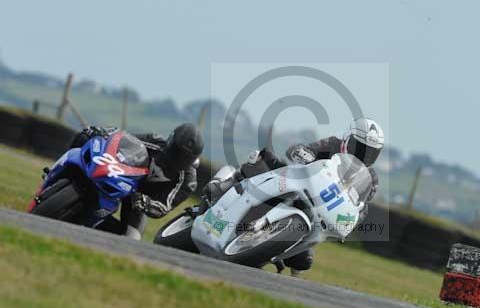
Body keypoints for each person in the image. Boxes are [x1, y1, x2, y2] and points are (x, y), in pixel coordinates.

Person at [205, 117, 385, 275]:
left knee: (304, 261)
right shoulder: (332, 145)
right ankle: (225, 184)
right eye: (359, 148)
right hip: (296, 185)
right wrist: (304, 154)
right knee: (264, 159)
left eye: (370, 152)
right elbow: (299, 149)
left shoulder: (370, 180)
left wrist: (350, 220)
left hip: (316, 216)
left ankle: (265, 251)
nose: (362, 156)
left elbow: (359, 207)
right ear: (347, 140)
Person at [70, 123, 203, 240]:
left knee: (132, 240)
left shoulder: (188, 181)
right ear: (170, 141)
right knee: (85, 137)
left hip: (138, 201)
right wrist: (103, 132)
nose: (177, 159)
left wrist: (146, 203)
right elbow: (120, 138)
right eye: (177, 152)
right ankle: (57, 175)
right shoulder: (155, 141)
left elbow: (165, 206)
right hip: (120, 176)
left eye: (185, 158)